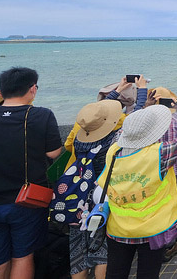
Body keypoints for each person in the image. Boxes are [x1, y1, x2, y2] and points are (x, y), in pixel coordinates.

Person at [0, 67, 64, 279]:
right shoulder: (41, 115)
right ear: (32, 89)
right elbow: (54, 152)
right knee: (22, 257)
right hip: (26, 201)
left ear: (1, 93)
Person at [99, 94, 177, 279]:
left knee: (115, 273)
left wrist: (141, 110)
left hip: (118, 228)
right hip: (152, 229)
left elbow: (126, 131)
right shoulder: (160, 154)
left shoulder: (113, 150)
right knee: (148, 274)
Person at [63, 99, 125, 279]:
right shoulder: (113, 140)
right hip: (101, 200)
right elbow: (130, 119)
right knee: (102, 252)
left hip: (78, 199)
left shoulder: (77, 140)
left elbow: (88, 120)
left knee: (78, 253)